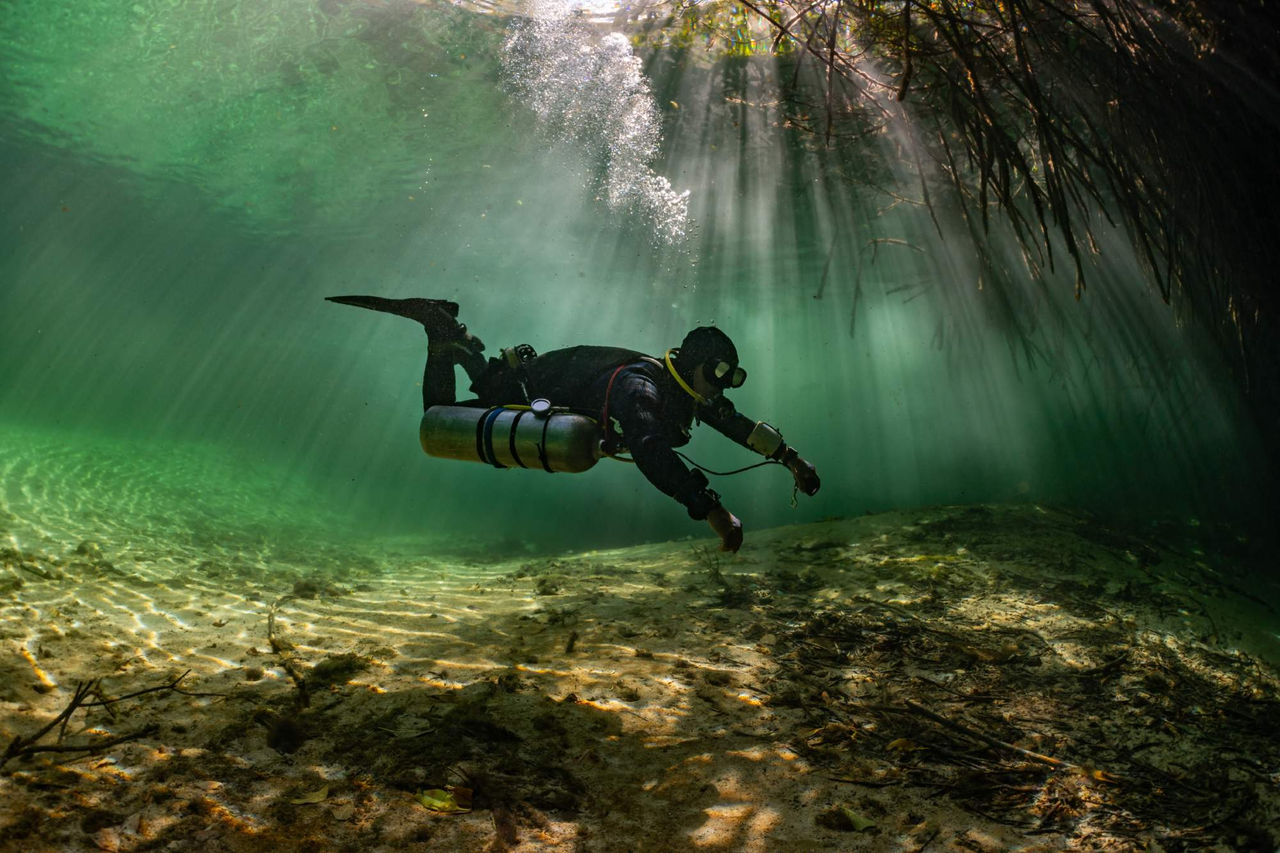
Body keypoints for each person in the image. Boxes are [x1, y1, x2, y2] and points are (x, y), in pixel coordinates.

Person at [327, 295, 821, 552]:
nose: (722, 388)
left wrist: (791, 459)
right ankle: (441, 332)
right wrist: (711, 510)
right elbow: (650, 448)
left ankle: (458, 339)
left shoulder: (686, 390)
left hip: (533, 383)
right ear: (693, 365)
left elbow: (734, 423)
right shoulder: (642, 388)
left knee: (482, 388)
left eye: (728, 379)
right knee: (437, 415)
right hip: (527, 389)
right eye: (718, 376)